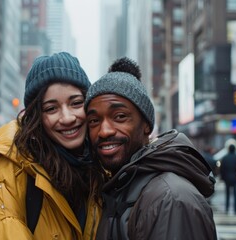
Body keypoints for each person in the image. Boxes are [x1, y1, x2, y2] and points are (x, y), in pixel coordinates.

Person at [0, 52, 105, 239]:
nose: (68, 118)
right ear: (36, 117)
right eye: (51, 108)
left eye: (76, 103)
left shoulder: (101, 162)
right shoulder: (10, 168)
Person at [84, 57, 217, 239]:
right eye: (94, 121)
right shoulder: (120, 188)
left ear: (146, 125)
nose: (104, 131)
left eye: (120, 116)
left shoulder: (169, 199)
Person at [220, 144, 236, 215]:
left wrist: (222, 178)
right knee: (235, 194)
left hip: (227, 178)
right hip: (235, 178)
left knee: (227, 194)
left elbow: (222, 169)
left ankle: (227, 209)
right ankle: (235, 210)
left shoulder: (225, 158)